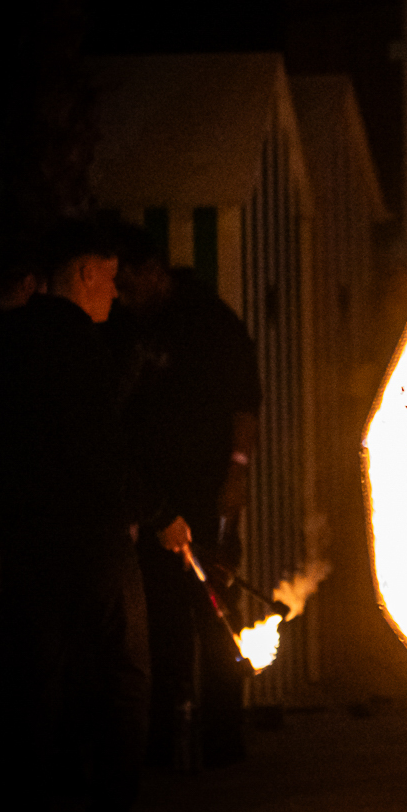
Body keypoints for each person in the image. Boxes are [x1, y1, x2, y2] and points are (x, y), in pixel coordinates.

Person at [0, 221, 161, 812]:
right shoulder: (79, 342)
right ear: (84, 273)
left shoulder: (7, 340)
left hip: (28, 542)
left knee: (35, 690)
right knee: (127, 677)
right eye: (110, 277)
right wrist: (152, 511)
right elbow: (97, 443)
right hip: (91, 538)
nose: (116, 290)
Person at [107, 225, 261, 768]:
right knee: (159, 617)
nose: (120, 295)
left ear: (153, 271)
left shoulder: (209, 320)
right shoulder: (126, 327)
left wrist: (236, 473)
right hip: (152, 497)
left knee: (214, 609)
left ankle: (222, 737)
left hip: (206, 491)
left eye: (127, 282)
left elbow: (245, 402)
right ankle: (163, 742)